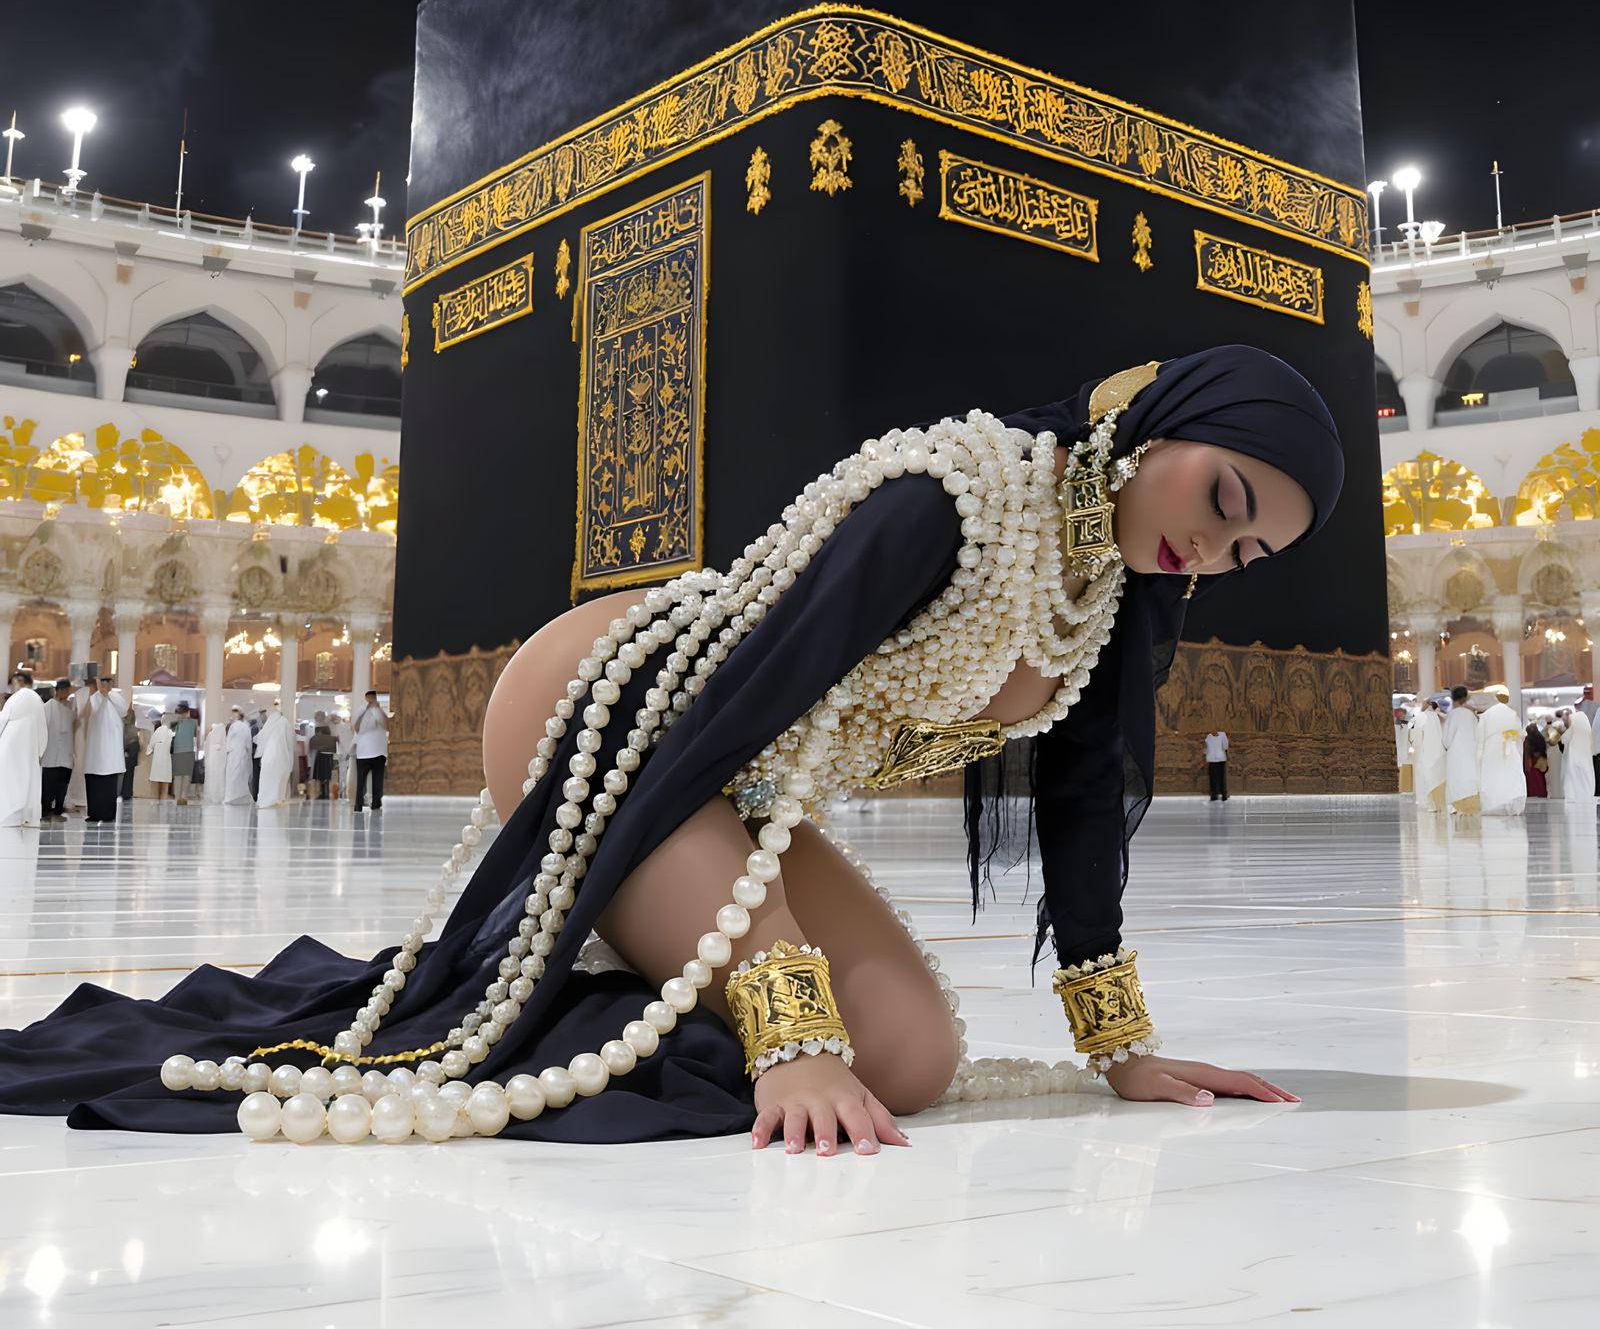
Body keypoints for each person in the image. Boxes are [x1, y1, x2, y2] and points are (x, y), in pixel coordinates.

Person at [0, 346, 1340, 1149]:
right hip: (616, 714)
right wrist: (788, 1032)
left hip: (734, 772)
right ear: (1152, 426)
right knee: (812, 1034)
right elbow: (725, 704)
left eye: (1248, 549)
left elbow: (1083, 813)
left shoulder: (1106, 604)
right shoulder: (950, 497)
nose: (1213, 546)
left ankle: (622, 956)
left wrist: (1123, 1048)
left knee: (917, 1065)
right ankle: (606, 941)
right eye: (1222, 498)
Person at [0, 668, 48, 828]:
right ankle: (23, 815)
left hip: (11, 745)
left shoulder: (16, 698)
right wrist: (40, 750)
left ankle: (10, 814)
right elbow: (43, 728)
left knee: (10, 779)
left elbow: (3, 719)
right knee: (26, 780)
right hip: (29, 748)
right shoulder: (36, 699)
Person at [79, 675, 129, 823]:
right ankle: (94, 813)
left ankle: (108, 814)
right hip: (95, 749)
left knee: (109, 784)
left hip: (111, 749)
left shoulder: (116, 697)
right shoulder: (94, 698)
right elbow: (92, 711)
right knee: (94, 783)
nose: (106, 685)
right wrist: (101, 694)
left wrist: (108, 695)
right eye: (103, 682)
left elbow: (123, 710)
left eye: (108, 682)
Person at [1475, 690, 1526, 816]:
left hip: (1491, 749)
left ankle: (1493, 804)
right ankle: (1511, 804)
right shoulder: (1512, 713)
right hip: (1510, 746)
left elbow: (1480, 738)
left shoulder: (1487, 715)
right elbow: (1520, 734)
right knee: (1510, 775)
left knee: (1493, 775)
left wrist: (1479, 756)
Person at [40, 679, 75, 821]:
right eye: (64, 690)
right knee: (48, 784)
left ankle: (59, 808)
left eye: (68, 691)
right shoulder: (47, 707)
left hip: (66, 751)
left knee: (62, 783)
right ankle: (45, 808)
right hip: (51, 751)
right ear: (58, 691)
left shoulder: (70, 707)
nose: (66, 693)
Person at [1443, 685, 1481, 815]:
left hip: (1454, 754)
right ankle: (1470, 805)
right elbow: (1478, 736)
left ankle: (1454, 806)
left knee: (1455, 779)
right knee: (1469, 778)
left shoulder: (1451, 715)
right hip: (1470, 752)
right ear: (1465, 698)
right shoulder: (1471, 715)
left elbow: (1446, 740)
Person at [352, 690, 392, 811]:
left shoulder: (380, 711)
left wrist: (378, 709)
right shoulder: (361, 710)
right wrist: (366, 711)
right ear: (366, 698)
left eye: (373, 698)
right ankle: (358, 804)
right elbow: (357, 728)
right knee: (361, 781)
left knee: (378, 781)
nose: (371, 700)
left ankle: (376, 804)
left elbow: (387, 725)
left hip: (379, 752)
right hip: (363, 753)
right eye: (369, 698)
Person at [1408, 699, 1447, 813]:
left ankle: (1428, 802)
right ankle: (1435, 803)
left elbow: (1411, 732)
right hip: (1432, 750)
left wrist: (1411, 745)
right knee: (1433, 774)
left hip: (1422, 750)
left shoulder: (1420, 716)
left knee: (1424, 775)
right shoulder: (1433, 717)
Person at [255, 703, 295, 808]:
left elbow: (257, 739)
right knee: (278, 779)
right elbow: (289, 740)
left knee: (267, 779)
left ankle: (265, 800)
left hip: (267, 757)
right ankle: (277, 799)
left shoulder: (268, 725)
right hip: (281, 756)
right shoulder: (284, 722)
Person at [223, 709, 254, 805]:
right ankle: (241, 794)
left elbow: (228, 740)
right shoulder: (246, 727)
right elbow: (249, 742)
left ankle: (232, 796)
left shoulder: (233, 726)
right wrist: (249, 752)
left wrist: (227, 751)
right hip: (243, 752)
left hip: (233, 752)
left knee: (232, 774)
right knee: (241, 774)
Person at [170, 702, 199, 805]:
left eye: (182, 712)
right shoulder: (177, 722)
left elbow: (196, 736)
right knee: (182, 775)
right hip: (183, 751)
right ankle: (180, 797)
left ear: (187, 712)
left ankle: (182, 797)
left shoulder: (192, 722)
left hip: (185, 751)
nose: (181, 714)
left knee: (184, 776)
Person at [308, 713, 338, 801]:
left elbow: (311, 748)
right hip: (328, 758)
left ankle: (321, 792)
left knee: (319, 776)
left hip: (319, 757)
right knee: (327, 776)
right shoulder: (332, 738)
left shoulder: (313, 738)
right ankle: (326, 793)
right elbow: (334, 749)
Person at [147, 712, 175, 801]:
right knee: (165, 781)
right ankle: (163, 798)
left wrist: (149, 751)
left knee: (156, 780)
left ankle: (155, 798)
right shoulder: (171, 733)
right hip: (166, 761)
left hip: (157, 760)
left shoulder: (158, 731)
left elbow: (151, 744)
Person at [202, 712, 227, 805]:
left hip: (211, 764)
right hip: (217, 764)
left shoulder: (210, 735)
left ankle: (214, 795)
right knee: (218, 779)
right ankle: (217, 796)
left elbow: (207, 750)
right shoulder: (218, 739)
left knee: (213, 778)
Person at [1524, 720, 1549, 798]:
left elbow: (1526, 754)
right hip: (1540, 763)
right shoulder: (1540, 738)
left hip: (1531, 765)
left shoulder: (1527, 740)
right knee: (1541, 782)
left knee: (1533, 784)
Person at [1203, 726, 1229, 800]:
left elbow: (1225, 746)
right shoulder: (1208, 737)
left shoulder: (1222, 735)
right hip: (1212, 759)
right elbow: (1207, 747)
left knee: (1221, 777)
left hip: (1220, 758)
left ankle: (1223, 793)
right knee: (1213, 777)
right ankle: (1214, 794)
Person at [334, 712, 354, 800]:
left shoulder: (340, 728)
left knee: (342, 774)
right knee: (349, 773)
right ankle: (348, 793)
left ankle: (342, 793)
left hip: (343, 753)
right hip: (350, 753)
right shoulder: (352, 729)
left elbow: (338, 740)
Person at [1545, 713, 1566, 799]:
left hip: (1553, 752)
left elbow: (1551, 741)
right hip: (1559, 752)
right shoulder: (1562, 726)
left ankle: (1554, 793)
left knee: (1553, 775)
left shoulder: (1552, 727)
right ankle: (1560, 793)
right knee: (1560, 775)